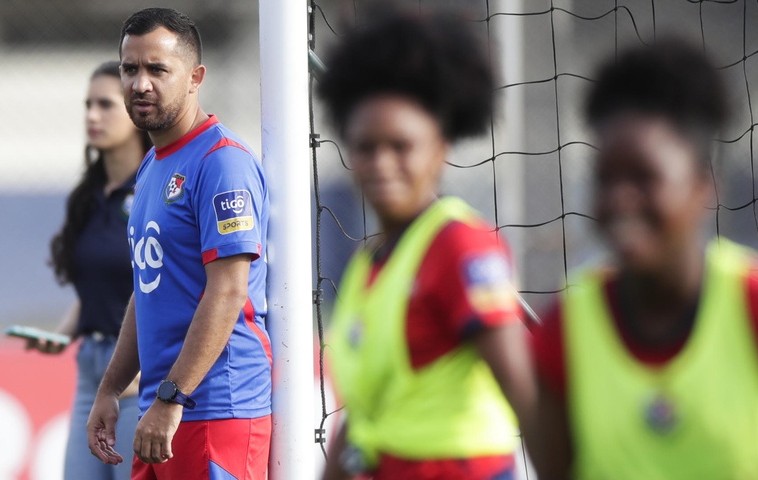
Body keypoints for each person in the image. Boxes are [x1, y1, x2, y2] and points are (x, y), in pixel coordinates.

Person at [530, 40, 758, 479]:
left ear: (703, 185)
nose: (620, 199)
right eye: (605, 179)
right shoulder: (564, 334)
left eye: (643, 177)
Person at [317, 10, 541, 480]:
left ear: (440, 147)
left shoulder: (459, 245)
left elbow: (529, 399)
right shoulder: (369, 262)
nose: (381, 163)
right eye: (365, 146)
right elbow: (364, 415)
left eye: (401, 146)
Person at [85, 8, 271, 480]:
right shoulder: (153, 166)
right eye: (130, 69)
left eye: (157, 69)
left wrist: (173, 397)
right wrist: (110, 388)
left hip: (214, 409)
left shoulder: (221, 163)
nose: (140, 83)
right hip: (162, 408)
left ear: (195, 78)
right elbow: (147, 289)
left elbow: (228, 292)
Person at [28, 60, 151, 480]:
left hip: (139, 377)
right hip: (91, 374)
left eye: (105, 104)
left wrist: (142, 370)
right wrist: (60, 335)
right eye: (87, 105)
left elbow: (166, 288)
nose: (92, 116)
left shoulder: (156, 189)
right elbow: (94, 292)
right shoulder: (88, 196)